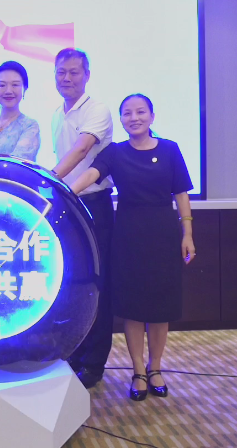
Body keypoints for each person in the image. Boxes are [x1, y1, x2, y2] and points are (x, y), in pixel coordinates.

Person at [69, 94, 195, 401]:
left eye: (140, 112)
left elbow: (181, 194)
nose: (134, 118)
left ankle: (156, 367)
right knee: (133, 307)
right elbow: (92, 174)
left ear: (152, 116)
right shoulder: (116, 151)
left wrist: (188, 233)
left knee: (161, 306)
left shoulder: (170, 149)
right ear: (121, 119)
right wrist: (65, 190)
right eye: (127, 113)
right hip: (127, 236)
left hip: (164, 234)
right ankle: (138, 370)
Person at [50, 48, 115, 389]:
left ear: (87, 75)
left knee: (96, 283)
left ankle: (94, 362)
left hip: (94, 203)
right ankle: (74, 352)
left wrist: (48, 181)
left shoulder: (97, 110)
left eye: (74, 72)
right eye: (61, 72)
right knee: (70, 281)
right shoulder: (55, 114)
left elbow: (80, 150)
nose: (67, 78)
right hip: (67, 204)